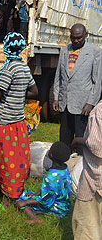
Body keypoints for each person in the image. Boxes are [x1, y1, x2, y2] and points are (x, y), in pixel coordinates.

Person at [0, 32, 38, 206]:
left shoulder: (8, 69)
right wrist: (18, 94)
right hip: (18, 122)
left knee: (4, 160)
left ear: (7, 48)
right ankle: (14, 190)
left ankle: (6, 197)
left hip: (3, 122)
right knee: (16, 159)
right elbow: (35, 92)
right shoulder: (24, 67)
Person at [53, 24, 102, 153]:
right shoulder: (64, 51)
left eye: (79, 38)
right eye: (73, 38)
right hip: (65, 103)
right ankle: (64, 167)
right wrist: (56, 97)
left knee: (81, 141)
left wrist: (91, 102)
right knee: (64, 139)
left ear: (86, 35)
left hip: (82, 105)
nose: (76, 41)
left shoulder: (95, 52)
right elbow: (59, 76)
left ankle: (80, 168)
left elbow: (97, 82)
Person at [16, 141, 71, 223]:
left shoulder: (51, 177)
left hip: (56, 208)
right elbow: (54, 191)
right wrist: (36, 194)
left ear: (51, 155)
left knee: (20, 201)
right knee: (27, 194)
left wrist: (26, 202)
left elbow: (46, 202)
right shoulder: (64, 169)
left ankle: (34, 218)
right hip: (64, 205)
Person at [71, 100, 102, 239]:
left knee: (88, 227)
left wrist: (79, 141)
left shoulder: (100, 111)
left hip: (96, 182)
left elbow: (96, 146)